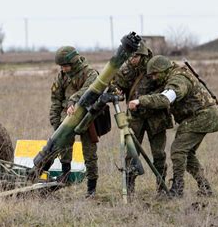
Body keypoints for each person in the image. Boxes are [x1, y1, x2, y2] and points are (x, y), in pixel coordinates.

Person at [128, 55, 218, 197]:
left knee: (178, 150)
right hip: (198, 116)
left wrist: (140, 101)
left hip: (203, 116)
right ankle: (205, 187)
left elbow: (166, 99)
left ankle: (177, 189)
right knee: (187, 153)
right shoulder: (171, 75)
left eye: (155, 74)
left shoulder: (178, 79)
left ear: (164, 70)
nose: (153, 78)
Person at [111, 41, 173, 195]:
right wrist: (116, 93)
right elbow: (118, 88)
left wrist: (145, 100)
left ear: (143, 55)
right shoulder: (126, 70)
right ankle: (129, 189)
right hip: (135, 118)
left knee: (159, 154)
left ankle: (161, 188)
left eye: (135, 56)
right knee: (131, 153)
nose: (131, 59)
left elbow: (166, 90)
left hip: (156, 117)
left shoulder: (157, 66)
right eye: (130, 56)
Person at [50, 46, 99, 197]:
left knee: (89, 153)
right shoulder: (62, 76)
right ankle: (65, 176)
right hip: (67, 118)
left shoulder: (90, 73)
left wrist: (73, 100)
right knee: (63, 146)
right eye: (61, 66)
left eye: (65, 66)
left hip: (87, 118)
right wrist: (55, 120)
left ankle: (91, 188)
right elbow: (56, 99)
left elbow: (89, 89)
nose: (63, 69)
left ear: (74, 61)